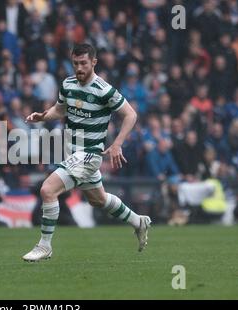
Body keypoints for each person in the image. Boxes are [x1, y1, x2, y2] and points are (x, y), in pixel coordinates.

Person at [23, 44, 151, 262]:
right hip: (72, 154)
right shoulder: (68, 84)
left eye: (83, 63)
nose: (79, 68)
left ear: (94, 62)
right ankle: (138, 221)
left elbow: (130, 115)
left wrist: (118, 143)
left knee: (48, 190)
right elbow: (60, 109)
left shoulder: (104, 90)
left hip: (90, 155)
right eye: (75, 63)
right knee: (98, 200)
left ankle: (44, 246)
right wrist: (43, 116)